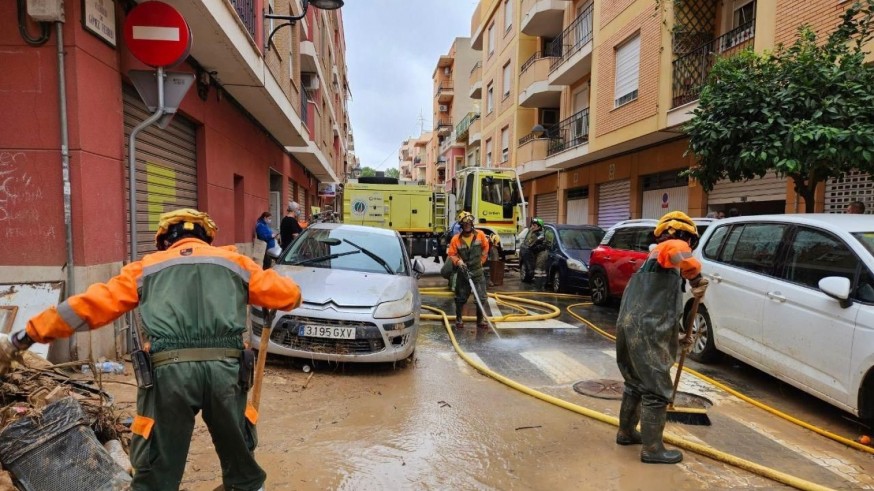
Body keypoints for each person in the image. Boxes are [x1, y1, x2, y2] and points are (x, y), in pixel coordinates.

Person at [0, 208, 302, 490]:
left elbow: (89, 307)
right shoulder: (235, 263)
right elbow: (288, 295)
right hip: (227, 372)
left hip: (168, 374)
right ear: (207, 236)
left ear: (165, 240)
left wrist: (27, 336)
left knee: (157, 459)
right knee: (239, 451)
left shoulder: (146, 268)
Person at [614, 211, 708, 464]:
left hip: (630, 326)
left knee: (635, 382)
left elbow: (656, 304)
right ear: (684, 234)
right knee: (656, 390)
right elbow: (680, 254)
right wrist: (696, 278)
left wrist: (677, 336)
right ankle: (653, 449)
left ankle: (625, 432)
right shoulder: (672, 245)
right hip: (648, 329)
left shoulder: (652, 258)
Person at [447, 211, 490, 330]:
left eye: (469, 223)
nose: (467, 225)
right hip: (463, 273)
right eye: (465, 224)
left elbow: (486, 247)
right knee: (460, 298)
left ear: (472, 224)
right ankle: (459, 319)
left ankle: (480, 320)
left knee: (481, 297)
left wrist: (482, 260)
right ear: (461, 225)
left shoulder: (480, 235)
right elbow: (452, 253)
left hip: (477, 272)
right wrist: (458, 262)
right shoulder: (456, 239)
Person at [521, 218, 547, 283]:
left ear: (539, 227)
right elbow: (527, 243)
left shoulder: (539, 235)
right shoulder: (533, 233)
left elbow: (530, 245)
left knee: (538, 272)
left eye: (534, 225)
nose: (532, 227)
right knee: (538, 273)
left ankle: (538, 287)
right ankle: (539, 285)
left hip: (541, 256)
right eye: (532, 225)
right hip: (535, 255)